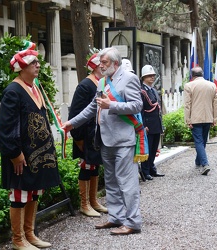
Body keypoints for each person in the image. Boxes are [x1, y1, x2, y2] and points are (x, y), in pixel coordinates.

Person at [61, 47, 143, 235]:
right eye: (100, 62)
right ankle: (116, 218)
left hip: (123, 140)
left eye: (104, 62)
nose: (101, 65)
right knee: (111, 182)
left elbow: (138, 105)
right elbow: (92, 108)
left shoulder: (130, 78)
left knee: (127, 182)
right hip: (105, 139)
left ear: (115, 63)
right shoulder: (103, 81)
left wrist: (111, 105)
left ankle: (132, 222)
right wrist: (71, 124)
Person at [0, 42, 59, 249]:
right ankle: (18, 239)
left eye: (38, 62)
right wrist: (15, 153)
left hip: (37, 155)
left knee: (33, 191)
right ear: (22, 67)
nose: (38, 66)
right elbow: (7, 127)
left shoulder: (34, 88)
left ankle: (29, 234)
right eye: (34, 62)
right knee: (19, 194)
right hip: (21, 156)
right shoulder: (13, 91)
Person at [68, 53, 107, 217]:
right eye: (103, 64)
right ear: (97, 66)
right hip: (85, 136)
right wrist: (78, 138)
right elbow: (76, 113)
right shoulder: (85, 85)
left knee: (95, 166)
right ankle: (84, 204)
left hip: (95, 135)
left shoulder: (100, 83)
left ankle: (93, 200)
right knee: (86, 167)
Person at [184, 66, 217, 176]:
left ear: (192, 76)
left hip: (195, 118)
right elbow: (215, 103)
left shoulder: (189, 86)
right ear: (202, 74)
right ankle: (198, 161)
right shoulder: (212, 85)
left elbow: (187, 105)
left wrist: (187, 120)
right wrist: (215, 118)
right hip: (208, 117)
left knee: (199, 141)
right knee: (203, 141)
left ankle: (205, 164)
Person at [140, 65, 165, 181]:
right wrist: (143, 125)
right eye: (149, 76)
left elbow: (157, 108)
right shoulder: (142, 91)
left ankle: (152, 169)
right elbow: (141, 109)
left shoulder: (153, 90)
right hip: (148, 124)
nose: (152, 77)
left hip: (156, 123)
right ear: (143, 77)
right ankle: (145, 171)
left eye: (153, 76)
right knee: (148, 149)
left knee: (154, 148)